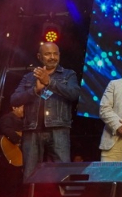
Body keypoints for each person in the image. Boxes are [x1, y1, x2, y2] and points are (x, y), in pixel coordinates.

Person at [10, 42, 80, 181]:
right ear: (39, 56)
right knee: (29, 173)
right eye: (48, 54)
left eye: (55, 54)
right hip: (32, 129)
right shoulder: (29, 77)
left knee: (62, 172)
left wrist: (49, 82)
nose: (52, 57)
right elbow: (14, 100)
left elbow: (74, 94)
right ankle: (31, 196)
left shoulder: (68, 74)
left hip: (59, 128)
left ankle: (60, 196)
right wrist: (35, 90)